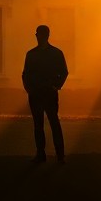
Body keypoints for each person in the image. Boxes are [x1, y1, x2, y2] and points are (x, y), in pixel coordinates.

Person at [22, 24, 68, 163]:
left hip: (45, 92)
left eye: (39, 34)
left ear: (44, 35)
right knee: (41, 124)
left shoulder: (35, 54)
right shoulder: (53, 53)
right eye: (38, 34)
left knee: (51, 123)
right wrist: (29, 88)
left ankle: (54, 155)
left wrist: (56, 86)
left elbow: (64, 72)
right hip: (38, 93)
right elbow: (26, 74)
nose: (38, 37)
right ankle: (46, 154)